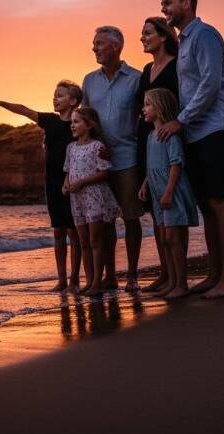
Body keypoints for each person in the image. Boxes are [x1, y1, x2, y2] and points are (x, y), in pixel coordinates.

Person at [159, 0, 224, 299]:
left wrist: (180, 120)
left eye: (168, 2)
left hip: (216, 128)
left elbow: (209, 84)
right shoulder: (184, 42)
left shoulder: (205, 34)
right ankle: (213, 275)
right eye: (162, 3)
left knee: (220, 201)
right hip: (196, 130)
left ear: (187, 3)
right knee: (208, 205)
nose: (163, 8)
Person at [0, 80, 83, 292]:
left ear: (74, 101)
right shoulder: (50, 121)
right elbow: (24, 110)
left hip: (73, 183)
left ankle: (75, 280)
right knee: (58, 231)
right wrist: (2, 102)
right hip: (52, 183)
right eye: (54, 94)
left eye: (60, 95)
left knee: (74, 233)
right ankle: (61, 280)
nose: (54, 98)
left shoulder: (78, 123)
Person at [81, 26, 144, 292]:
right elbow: (85, 119)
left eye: (99, 44)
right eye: (94, 44)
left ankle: (132, 275)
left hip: (128, 157)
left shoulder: (138, 78)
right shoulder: (89, 80)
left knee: (131, 217)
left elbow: (144, 118)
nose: (94, 48)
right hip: (99, 161)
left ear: (116, 47)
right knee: (105, 222)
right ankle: (110, 276)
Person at [138, 88, 199, 300]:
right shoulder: (150, 136)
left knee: (174, 238)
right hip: (155, 190)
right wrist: (145, 184)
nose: (143, 109)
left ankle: (181, 284)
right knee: (165, 238)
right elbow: (151, 166)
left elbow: (176, 164)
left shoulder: (169, 135)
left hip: (170, 190)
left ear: (160, 107)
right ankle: (172, 282)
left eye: (147, 104)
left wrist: (169, 192)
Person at [136, 17, 182, 293]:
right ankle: (165, 275)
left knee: (172, 212)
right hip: (148, 139)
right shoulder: (146, 69)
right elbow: (138, 107)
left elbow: (182, 100)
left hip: (170, 136)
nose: (142, 37)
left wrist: (174, 124)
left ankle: (178, 277)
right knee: (156, 213)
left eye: (147, 33)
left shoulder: (178, 65)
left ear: (163, 36)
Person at [63, 107, 120, 297]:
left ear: (89, 125)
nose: (72, 125)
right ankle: (89, 281)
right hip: (76, 198)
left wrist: (81, 182)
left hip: (94, 196)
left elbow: (104, 172)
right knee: (84, 241)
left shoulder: (97, 146)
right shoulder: (70, 148)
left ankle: (97, 281)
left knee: (96, 240)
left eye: (77, 121)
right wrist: (66, 185)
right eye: (72, 122)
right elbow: (68, 172)